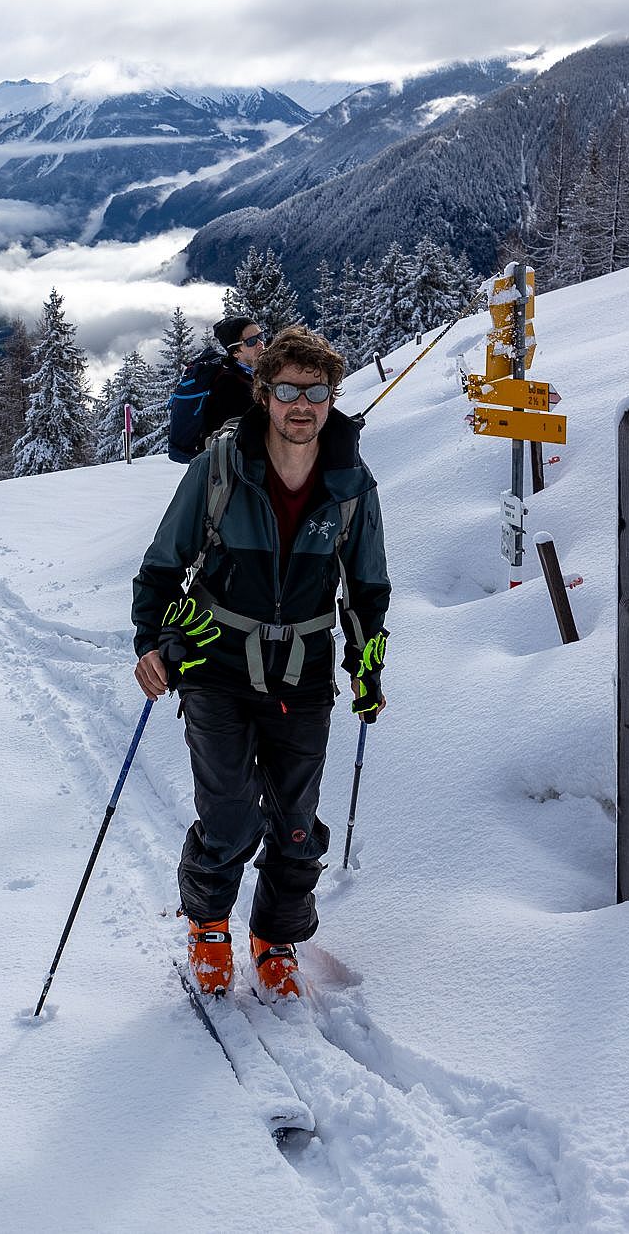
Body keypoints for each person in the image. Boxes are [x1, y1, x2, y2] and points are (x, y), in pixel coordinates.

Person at [131, 327, 391, 1001]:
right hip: (216, 663)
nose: (300, 404)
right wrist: (151, 643)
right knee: (231, 819)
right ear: (263, 394)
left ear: (332, 397)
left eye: (315, 390)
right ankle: (210, 923)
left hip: (303, 671)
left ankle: (274, 934)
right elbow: (161, 567)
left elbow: (367, 587)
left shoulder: (351, 485)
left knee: (297, 824)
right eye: (286, 390)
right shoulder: (220, 468)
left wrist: (367, 665)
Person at [164, 316, 268, 463]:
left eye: (260, 336)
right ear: (235, 352)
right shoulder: (231, 386)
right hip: (231, 471)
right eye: (251, 341)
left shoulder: (246, 376)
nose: (261, 344)